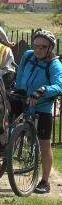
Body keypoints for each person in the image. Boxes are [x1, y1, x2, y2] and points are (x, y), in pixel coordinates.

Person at [13, 30, 62, 194]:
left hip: (42, 106)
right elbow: (20, 75)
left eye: (43, 47)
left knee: (44, 143)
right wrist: (18, 90)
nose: (38, 50)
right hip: (25, 99)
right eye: (36, 46)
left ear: (50, 48)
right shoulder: (28, 56)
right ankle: (2, 152)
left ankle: (45, 181)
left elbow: (59, 85)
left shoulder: (54, 64)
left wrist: (43, 90)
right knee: (4, 118)